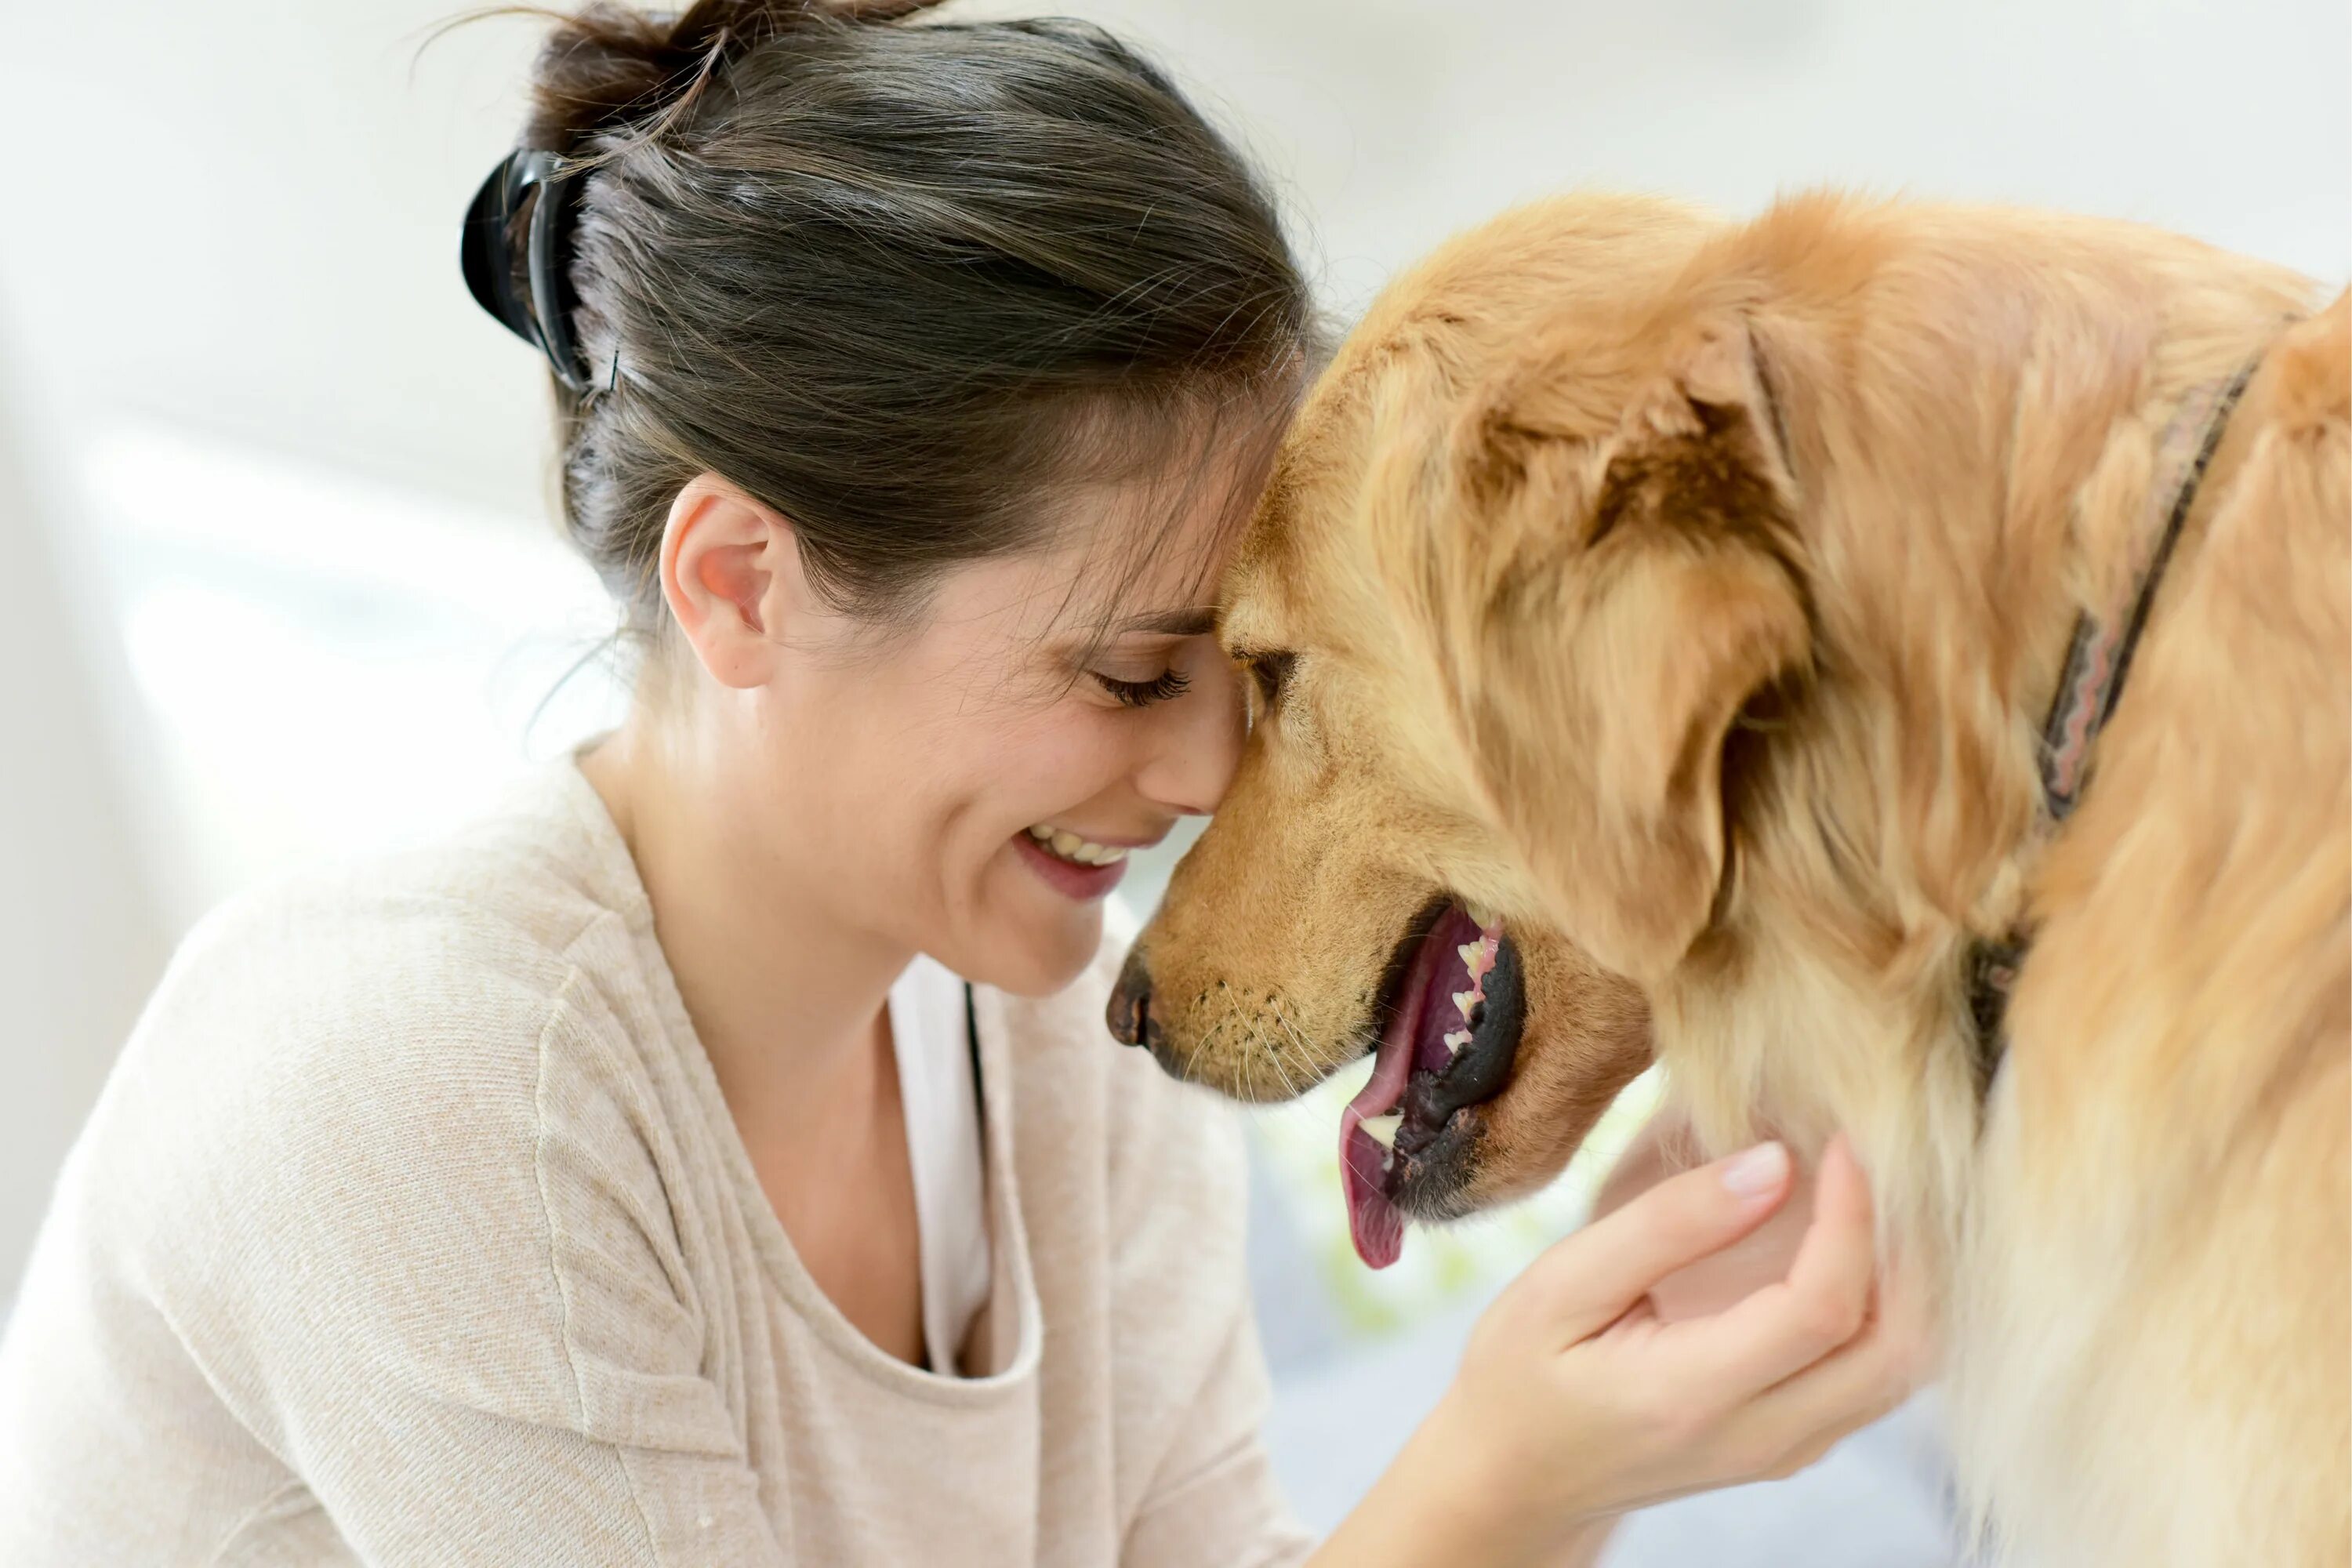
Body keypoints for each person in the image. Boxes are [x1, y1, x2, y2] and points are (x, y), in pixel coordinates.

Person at [0, 3, 1927, 1563]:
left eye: (1248, 673)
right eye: (1127, 671)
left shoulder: (1054, 1043)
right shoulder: (416, 1079)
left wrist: (1590, 1402)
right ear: (744, 584)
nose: (1200, 777)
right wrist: (1507, 1475)